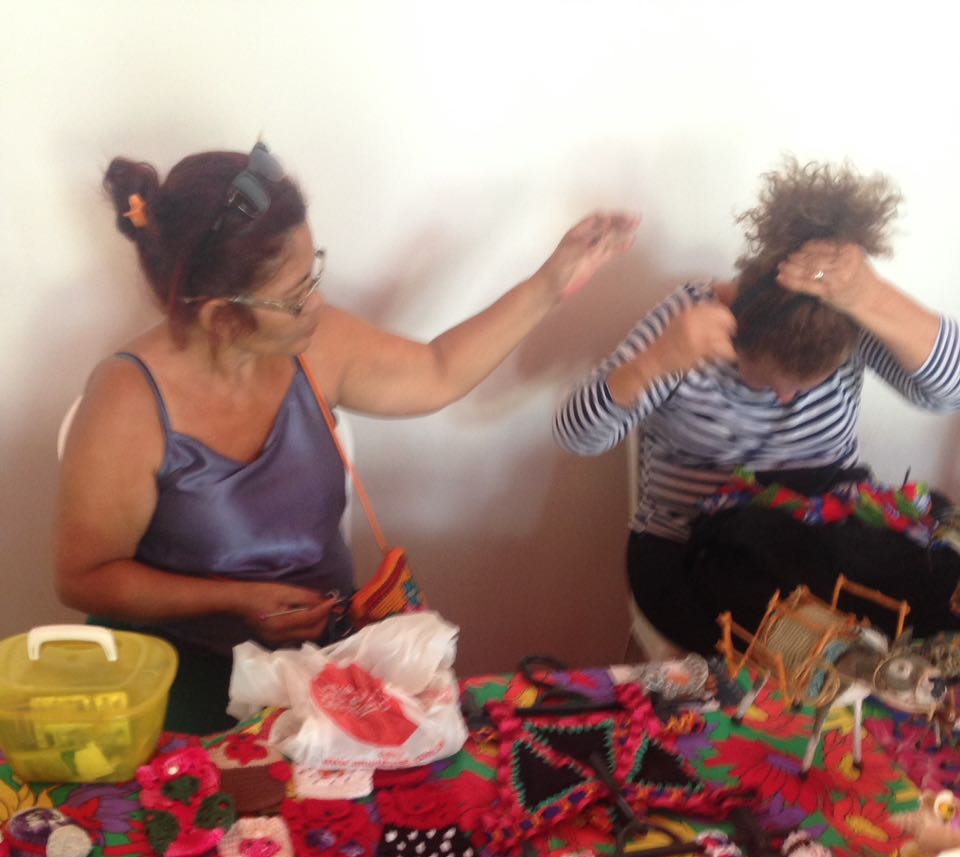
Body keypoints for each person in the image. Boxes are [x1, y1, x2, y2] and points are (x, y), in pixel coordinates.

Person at [55, 142, 638, 731]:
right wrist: (235, 599)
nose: (319, 303)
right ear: (222, 319)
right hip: (188, 682)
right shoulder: (127, 402)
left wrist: (551, 281)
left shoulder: (315, 343)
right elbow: (85, 576)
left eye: (314, 273)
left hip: (321, 667)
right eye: (296, 294)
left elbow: (438, 371)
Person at [554, 159, 960, 655]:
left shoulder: (847, 316)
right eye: (766, 381)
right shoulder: (690, 323)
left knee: (939, 584)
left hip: (824, 523)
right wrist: (655, 363)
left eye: (807, 387)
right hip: (697, 544)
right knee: (776, 631)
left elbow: (948, 392)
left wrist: (873, 297)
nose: (785, 400)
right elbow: (577, 435)